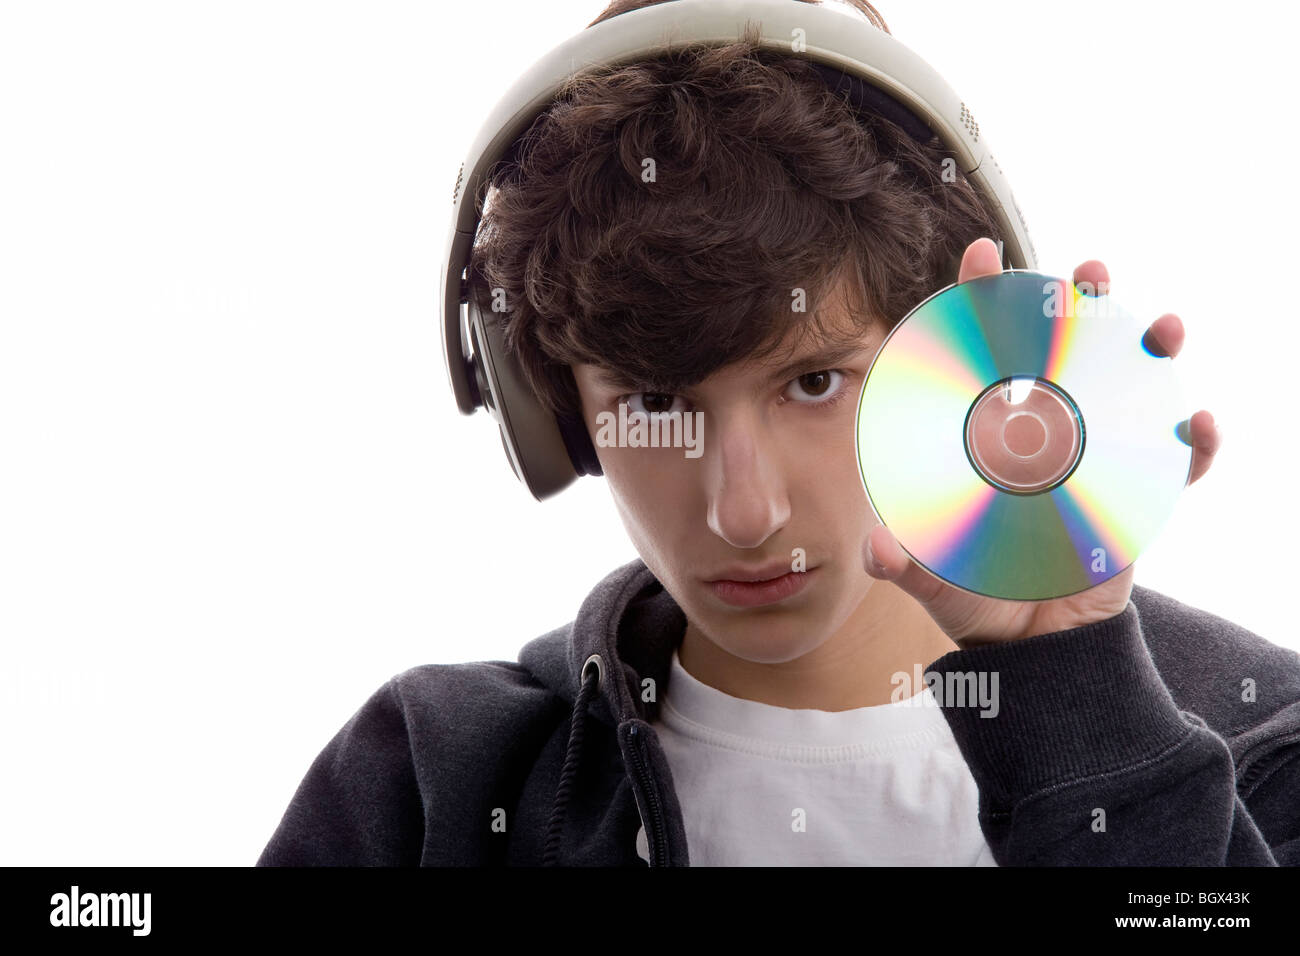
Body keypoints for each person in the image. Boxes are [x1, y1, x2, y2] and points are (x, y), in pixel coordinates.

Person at [255, 0, 1300, 866]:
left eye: (811, 380)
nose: (743, 508)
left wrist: (1083, 713)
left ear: (962, 359)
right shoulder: (433, 787)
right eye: (657, 405)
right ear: (549, 411)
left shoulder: (1270, 748)